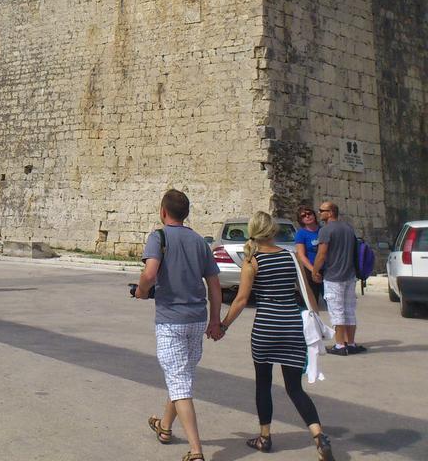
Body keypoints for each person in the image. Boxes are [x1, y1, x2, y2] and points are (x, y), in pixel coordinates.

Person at [219, 211, 334, 459]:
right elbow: (306, 293)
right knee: (295, 388)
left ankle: (265, 437)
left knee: (263, 384)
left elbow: (240, 300)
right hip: (292, 326)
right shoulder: (290, 257)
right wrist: (316, 320)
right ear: (272, 231)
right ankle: (318, 436)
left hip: (265, 329)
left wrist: (223, 325)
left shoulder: (253, 261)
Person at [135, 189, 221, 461]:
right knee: (181, 376)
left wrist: (141, 291)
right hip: (197, 319)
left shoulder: (157, 237)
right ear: (186, 213)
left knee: (180, 382)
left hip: (171, 320)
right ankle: (165, 427)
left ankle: (196, 451)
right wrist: (216, 319)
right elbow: (215, 286)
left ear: (162, 212)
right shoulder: (199, 241)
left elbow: (149, 273)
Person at [312, 201, 365, 355]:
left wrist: (315, 271)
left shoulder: (326, 230)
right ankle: (352, 343)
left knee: (337, 312)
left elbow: (322, 254)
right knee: (349, 311)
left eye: (322, 210)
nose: (319, 213)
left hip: (333, 276)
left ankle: (340, 345)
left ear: (330, 213)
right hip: (349, 275)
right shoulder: (348, 228)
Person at [294, 205, 324, 304]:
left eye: (309, 213)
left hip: (326, 269)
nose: (307, 216)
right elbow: (301, 255)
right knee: (312, 301)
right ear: (301, 220)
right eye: (303, 216)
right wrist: (313, 270)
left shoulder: (323, 230)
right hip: (310, 270)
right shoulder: (301, 234)